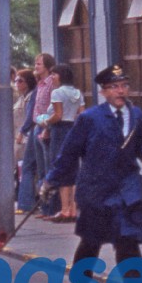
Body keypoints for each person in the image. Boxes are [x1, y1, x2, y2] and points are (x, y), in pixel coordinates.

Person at [42, 64, 142, 283]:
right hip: (96, 190)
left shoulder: (137, 116)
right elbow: (69, 153)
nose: (121, 91)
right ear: (104, 92)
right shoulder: (90, 119)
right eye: (115, 87)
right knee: (91, 241)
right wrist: (51, 181)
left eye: (124, 85)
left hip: (127, 190)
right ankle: (80, 282)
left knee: (127, 243)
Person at [43, 64, 86, 222]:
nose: (52, 77)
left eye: (54, 74)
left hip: (60, 131)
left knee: (60, 167)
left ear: (60, 76)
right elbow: (81, 115)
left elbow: (58, 115)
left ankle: (64, 209)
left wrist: (46, 122)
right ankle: (73, 209)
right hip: (73, 129)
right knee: (73, 169)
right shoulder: (77, 93)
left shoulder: (57, 92)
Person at [31, 52, 59, 217]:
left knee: (49, 168)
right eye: (35, 63)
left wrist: (47, 128)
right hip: (38, 126)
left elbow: (53, 109)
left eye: (39, 64)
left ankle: (51, 208)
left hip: (46, 128)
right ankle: (45, 207)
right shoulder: (40, 84)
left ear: (48, 67)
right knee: (41, 170)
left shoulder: (51, 84)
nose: (36, 67)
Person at [14, 69, 41, 213]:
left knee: (28, 167)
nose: (16, 83)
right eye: (16, 80)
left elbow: (30, 116)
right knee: (29, 167)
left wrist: (22, 131)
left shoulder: (31, 96)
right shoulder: (23, 97)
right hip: (26, 135)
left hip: (29, 135)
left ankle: (26, 203)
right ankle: (28, 201)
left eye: (20, 81)